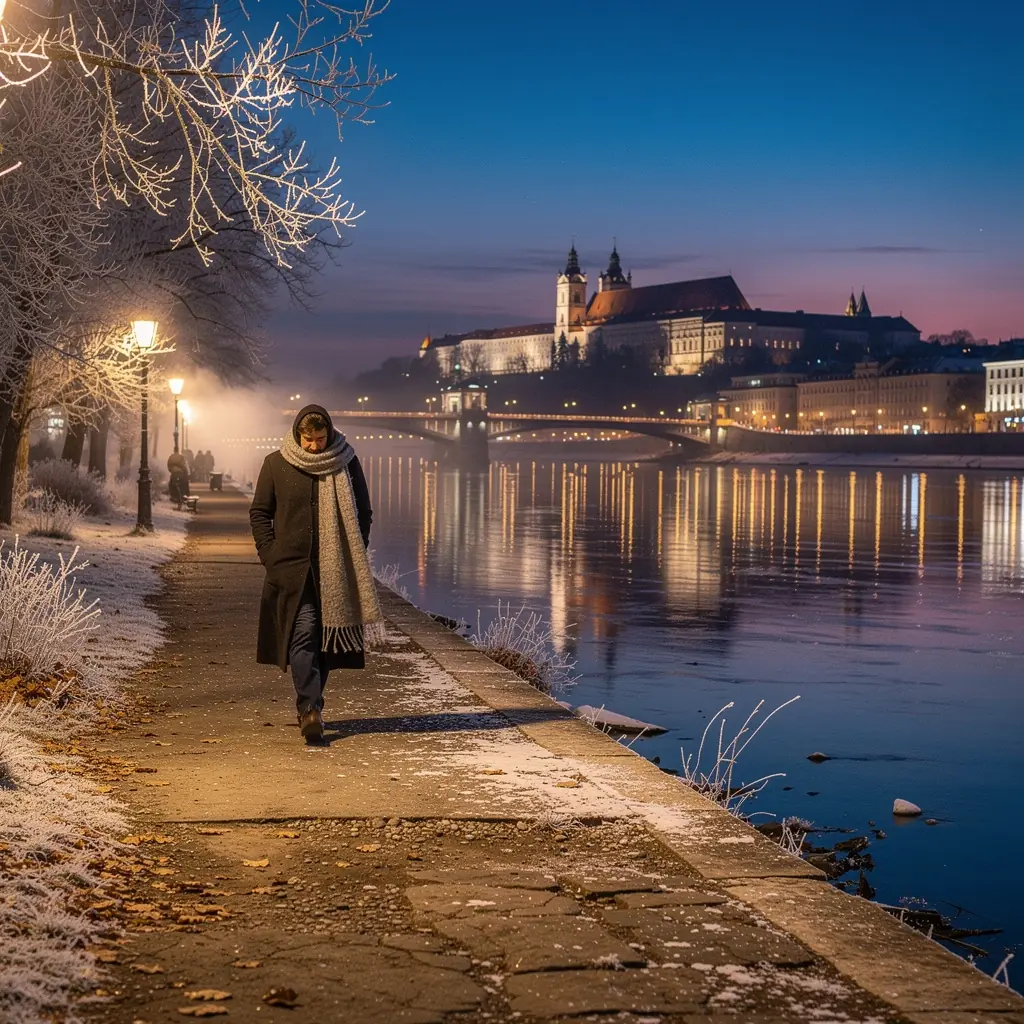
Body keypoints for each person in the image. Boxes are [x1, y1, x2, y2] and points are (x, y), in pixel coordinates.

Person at [248, 405, 383, 743]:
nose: (314, 447)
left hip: (334, 568)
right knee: (305, 631)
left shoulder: (346, 461)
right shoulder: (276, 463)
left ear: (330, 434)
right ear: (298, 435)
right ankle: (310, 708)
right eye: (308, 440)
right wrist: (270, 555)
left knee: (326, 642)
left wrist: (355, 551)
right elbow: (260, 513)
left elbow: (364, 512)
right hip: (291, 569)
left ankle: (311, 708)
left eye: (320, 440)